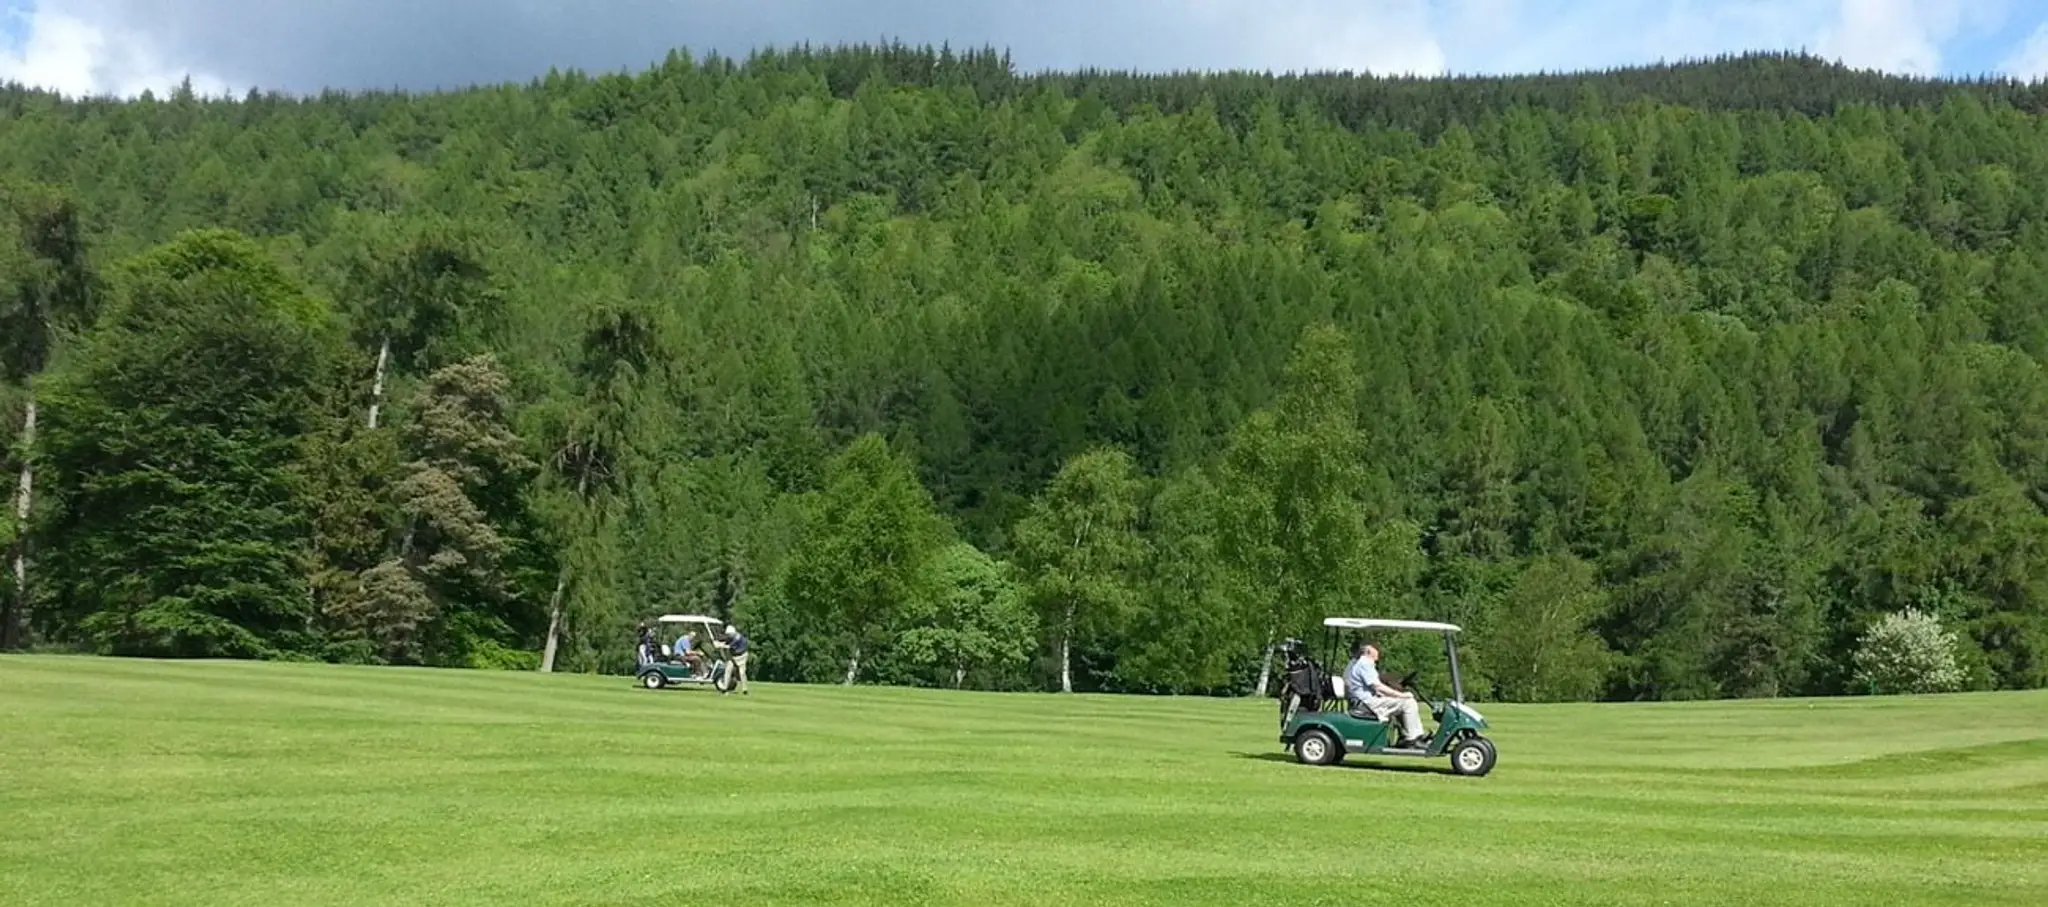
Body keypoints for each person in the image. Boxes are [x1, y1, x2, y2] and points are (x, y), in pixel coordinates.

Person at [1344, 640, 1430, 748]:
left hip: (1367, 700)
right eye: (1376, 649)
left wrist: (1394, 693)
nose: (1379, 652)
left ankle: (1409, 736)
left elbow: (1377, 688)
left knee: (1400, 703)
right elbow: (1378, 686)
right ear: (1369, 651)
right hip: (1366, 703)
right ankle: (1412, 739)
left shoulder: (1364, 664)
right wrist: (1401, 695)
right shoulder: (1364, 664)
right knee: (1408, 702)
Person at [721, 625, 750, 695]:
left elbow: (730, 645)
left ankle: (744, 689)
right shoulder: (731, 636)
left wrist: (722, 645)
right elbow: (726, 641)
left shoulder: (737, 638)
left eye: (729, 634)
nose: (728, 636)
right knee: (728, 670)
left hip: (741, 656)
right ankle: (724, 688)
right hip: (733, 656)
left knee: (742, 672)